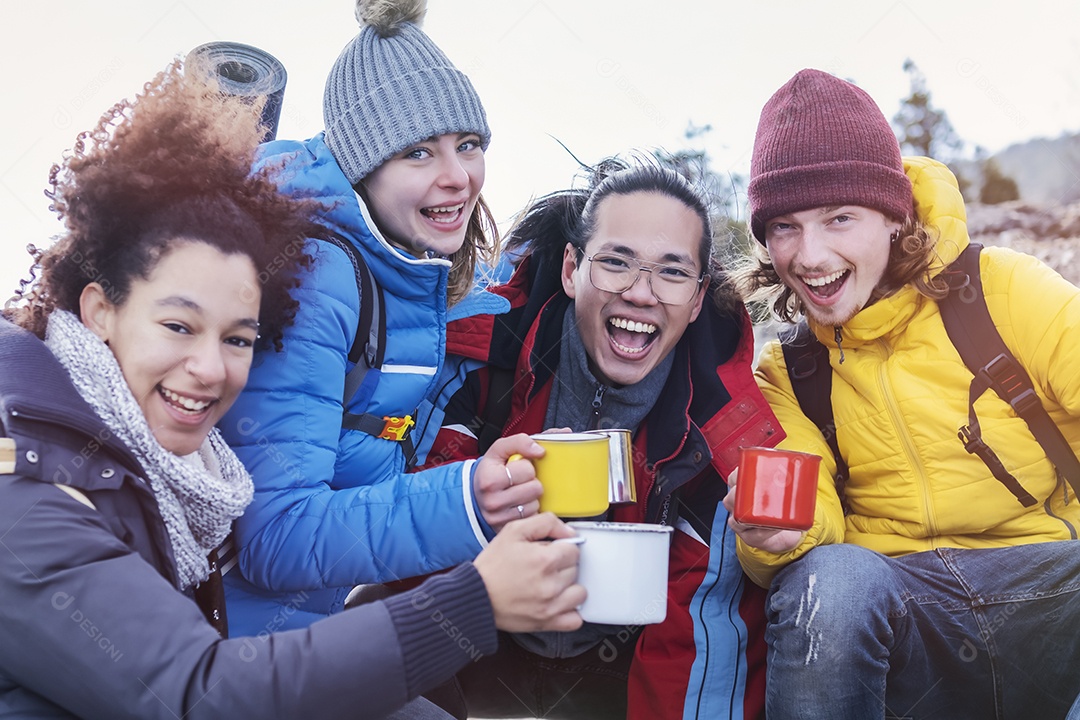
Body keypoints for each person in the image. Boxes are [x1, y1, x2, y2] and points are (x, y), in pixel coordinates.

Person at [0, 58, 585, 720]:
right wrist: (472, 601)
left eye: (239, 338)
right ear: (101, 310)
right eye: (177, 325)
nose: (211, 368)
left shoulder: (164, 470)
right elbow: (202, 696)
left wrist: (470, 493)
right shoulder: (28, 488)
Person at [726, 67, 1080, 719]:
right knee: (826, 580)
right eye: (784, 227)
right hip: (901, 612)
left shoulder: (1002, 291)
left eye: (839, 217)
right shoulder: (788, 373)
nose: (810, 255)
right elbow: (811, 523)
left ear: (894, 217)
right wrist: (775, 537)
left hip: (1052, 589)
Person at [215, 0, 549, 638]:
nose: (458, 177)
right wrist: (466, 500)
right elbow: (276, 537)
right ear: (362, 167)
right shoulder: (316, 276)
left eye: (469, 145)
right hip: (231, 650)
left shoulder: (395, 267)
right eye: (418, 153)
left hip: (293, 629)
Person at [417, 157, 785, 720]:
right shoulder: (478, 363)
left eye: (672, 272)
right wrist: (477, 496)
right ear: (571, 270)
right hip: (474, 649)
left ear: (696, 299)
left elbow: (697, 638)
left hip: (619, 672)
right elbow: (403, 543)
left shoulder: (716, 430)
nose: (641, 294)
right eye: (616, 262)